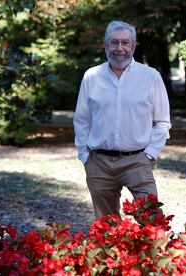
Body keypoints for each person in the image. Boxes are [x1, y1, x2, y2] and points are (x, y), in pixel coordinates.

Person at [73, 20, 171, 219]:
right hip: (98, 162)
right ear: (106, 45)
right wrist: (85, 156)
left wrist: (150, 154)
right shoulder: (91, 76)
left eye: (125, 43)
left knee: (153, 221)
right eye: (114, 43)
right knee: (106, 229)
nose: (120, 48)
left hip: (137, 160)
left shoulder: (150, 76)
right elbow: (81, 119)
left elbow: (162, 122)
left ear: (133, 46)